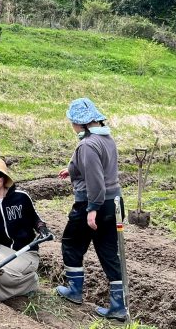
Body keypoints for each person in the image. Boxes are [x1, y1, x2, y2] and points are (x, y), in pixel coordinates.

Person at [55, 98, 127, 321]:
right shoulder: (106, 138)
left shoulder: (87, 144)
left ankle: (74, 291)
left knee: (71, 243)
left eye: (73, 122)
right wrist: (71, 169)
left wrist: (92, 208)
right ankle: (118, 307)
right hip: (114, 202)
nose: (72, 126)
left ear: (81, 123)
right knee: (108, 251)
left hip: (94, 202)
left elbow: (96, 180)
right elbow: (100, 167)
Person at [0, 157, 54, 300]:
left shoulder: (22, 197)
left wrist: (42, 229)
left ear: (4, 177)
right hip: (2, 250)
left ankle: (30, 282)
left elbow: (35, 218)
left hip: (27, 252)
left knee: (0, 273)